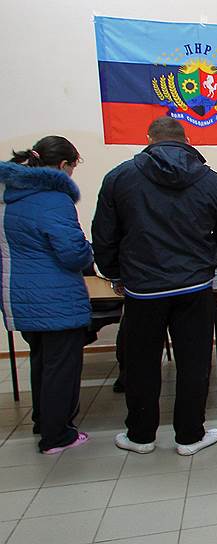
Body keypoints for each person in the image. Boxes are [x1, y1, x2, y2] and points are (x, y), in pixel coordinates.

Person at [92, 117, 217, 456]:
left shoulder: (120, 178)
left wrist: (115, 274)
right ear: (187, 140)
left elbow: (104, 235)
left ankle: (141, 436)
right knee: (194, 362)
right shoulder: (211, 181)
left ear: (148, 139)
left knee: (141, 362)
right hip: (195, 286)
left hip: (143, 288)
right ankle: (190, 436)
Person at [0, 136, 92, 454]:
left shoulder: (10, 193)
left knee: (41, 362)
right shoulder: (53, 198)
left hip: (20, 294)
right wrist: (88, 251)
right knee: (62, 368)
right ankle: (57, 435)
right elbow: (72, 254)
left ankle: (43, 421)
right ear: (64, 165)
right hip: (55, 298)